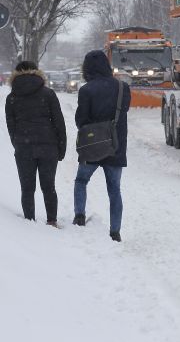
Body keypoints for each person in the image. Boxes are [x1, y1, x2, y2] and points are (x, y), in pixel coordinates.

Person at [73, 50, 131, 242]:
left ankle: (79, 216)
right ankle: (115, 231)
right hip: (116, 146)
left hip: (93, 146)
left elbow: (81, 120)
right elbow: (123, 111)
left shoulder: (86, 90)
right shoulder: (123, 88)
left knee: (81, 181)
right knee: (114, 190)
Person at [5, 60, 67, 226]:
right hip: (49, 148)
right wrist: (61, 148)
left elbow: (11, 126)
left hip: (24, 148)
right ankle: (52, 221)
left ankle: (29, 222)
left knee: (27, 188)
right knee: (48, 186)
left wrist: (18, 143)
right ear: (36, 72)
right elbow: (59, 123)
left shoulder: (11, 97)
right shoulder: (48, 94)